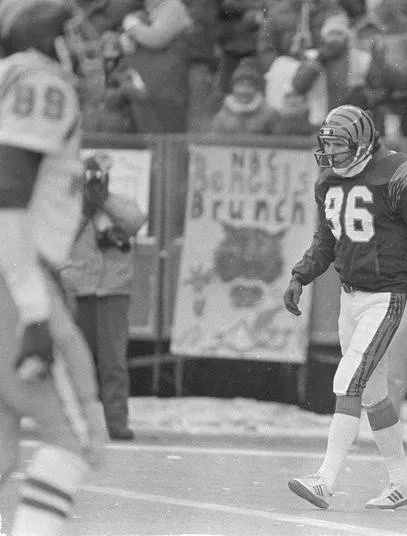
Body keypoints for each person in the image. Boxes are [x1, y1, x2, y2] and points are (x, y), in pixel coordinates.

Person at [283, 104, 407, 510]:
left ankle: (325, 479)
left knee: (348, 382)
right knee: (372, 394)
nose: (330, 153)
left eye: (338, 145)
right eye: (326, 144)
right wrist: (300, 276)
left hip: (388, 297)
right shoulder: (328, 181)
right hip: (351, 297)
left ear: (361, 145)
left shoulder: (398, 173)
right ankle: (402, 481)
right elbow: (326, 242)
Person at [0, 1, 108, 534]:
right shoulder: (41, 83)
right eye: (76, 37)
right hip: (13, 281)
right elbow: (8, 193)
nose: (90, 51)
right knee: (77, 437)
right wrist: (35, 307)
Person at [59, 155, 148, 441]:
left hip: (113, 291)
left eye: (100, 177)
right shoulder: (69, 206)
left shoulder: (121, 203)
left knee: (114, 362)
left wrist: (104, 199)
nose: (95, 182)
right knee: (77, 361)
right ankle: (77, 423)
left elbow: (135, 222)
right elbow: (61, 239)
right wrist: (85, 210)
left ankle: (116, 424)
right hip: (79, 289)